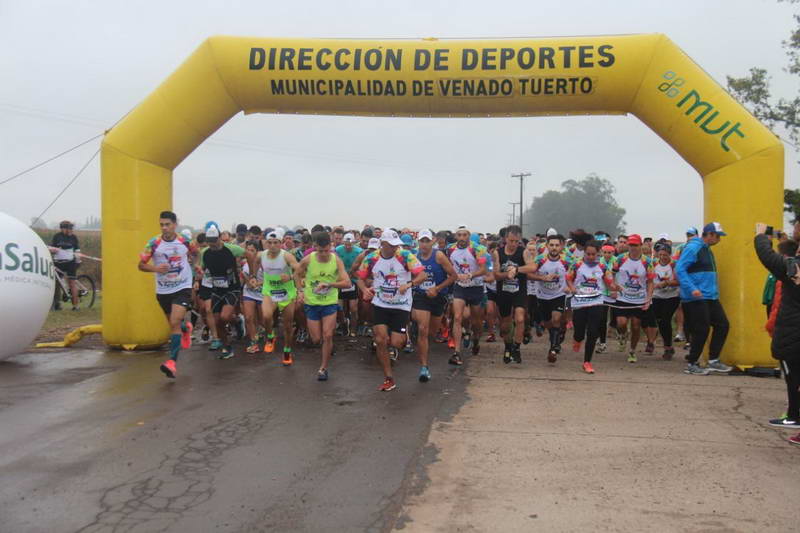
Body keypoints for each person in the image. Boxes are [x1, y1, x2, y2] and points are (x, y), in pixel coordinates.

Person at [357, 229, 427, 390]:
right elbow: (359, 278)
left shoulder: (405, 256)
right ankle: (389, 378)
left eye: (397, 245)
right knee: (381, 340)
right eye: (392, 245)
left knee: (396, 342)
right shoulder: (371, 258)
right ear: (383, 245)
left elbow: (423, 276)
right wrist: (365, 289)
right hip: (380, 303)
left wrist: (409, 284)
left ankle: (404, 336)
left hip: (401, 305)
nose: (396, 248)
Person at [754, 224, 800, 444]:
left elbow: (769, 258)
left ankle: (794, 415)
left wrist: (761, 235)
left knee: (795, 377)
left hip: (794, 334)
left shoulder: (794, 267)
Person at [137, 211, 197, 379]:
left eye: (167, 224)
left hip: (182, 286)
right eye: (161, 224)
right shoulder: (154, 243)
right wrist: (156, 269)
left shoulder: (185, 241)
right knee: (175, 325)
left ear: (174, 224)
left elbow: (195, 253)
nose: (164, 228)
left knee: (174, 321)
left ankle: (171, 363)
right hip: (163, 289)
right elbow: (140, 265)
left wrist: (194, 269)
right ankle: (186, 329)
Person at [675, 222, 733, 375]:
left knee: (723, 325)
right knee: (702, 329)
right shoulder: (694, 247)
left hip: (709, 296)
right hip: (696, 297)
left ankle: (713, 360)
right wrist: (692, 289)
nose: (719, 239)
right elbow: (680, 269)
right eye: (718, 236)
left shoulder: (707, 250)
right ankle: (692, 364)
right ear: (710, 234)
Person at [294, 231, 351, 382]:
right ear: (315, 247)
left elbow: (347, 282)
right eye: (321, 250)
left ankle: (323, 368)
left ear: (331, 247)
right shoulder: (308, 259)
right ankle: (328, 345)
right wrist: (300, 292)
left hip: (329, 303)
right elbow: (296, 274)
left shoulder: (336, 260)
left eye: (327, 250)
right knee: (316, 338)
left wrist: (330, 284)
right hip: (312, 303)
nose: (324, 254)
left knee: (327, 335)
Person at [198, 222, 249, 360]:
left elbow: (249, 255)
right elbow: (203, 269)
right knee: (216, 321)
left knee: (224, 317)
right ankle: (227, 346)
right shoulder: (205, 253)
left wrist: (252, 274)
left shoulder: (231, 249)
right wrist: (200, 276)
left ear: (219, 238)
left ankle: (235, 322)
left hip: (232, 288)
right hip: (216, 289)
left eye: (214, 241)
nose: (212, 244)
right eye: (209, 242)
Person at [411, 229, 457, 381]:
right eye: (421, 241)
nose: (424, 244)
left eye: (427, 241)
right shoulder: (413, 256)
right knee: (423, 329)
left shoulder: (438, 256)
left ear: (433, 241)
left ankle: (420, 336)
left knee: (430, 332)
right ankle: (424, 367)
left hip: (438, 297)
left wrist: (437, 289)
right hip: (420, 296)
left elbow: (453, 276)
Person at [251, 228, 301, 364]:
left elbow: (300, 269)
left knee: (287, 325)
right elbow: (255, 262)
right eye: (270, 243)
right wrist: (253, 276)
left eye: (276, 242)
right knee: (266, 316)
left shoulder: (287, 256)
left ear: (281, 243)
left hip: (287, 293)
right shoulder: (261, 255)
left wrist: (290, 276)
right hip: (270, 290)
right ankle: (270, 336)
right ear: (266, 243)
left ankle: (287, 351)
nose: (272, 246)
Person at [566, 240, 614, 373]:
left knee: (593, 332)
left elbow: (610, 282)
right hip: (580, 301)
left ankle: (587, 362)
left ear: (598, 253)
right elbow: (568, 278)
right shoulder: (576, 264)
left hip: (596, 301)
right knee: (579, 331)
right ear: (584, 253)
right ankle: (577, 339)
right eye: (588, 254)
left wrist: (615, 289)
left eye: (594, 254)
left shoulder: (603, 267)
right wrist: (572, 288)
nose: (591, 257)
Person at [446, 226, 490, 366]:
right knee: (458, 317)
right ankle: (457, 352)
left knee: (476, 321)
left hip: (476, 287)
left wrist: (470, 275)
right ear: (456, 236)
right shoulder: (450, 249)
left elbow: (483, 269)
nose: (462, 238)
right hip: (460, 287)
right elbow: (448, 266)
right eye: (459, 235)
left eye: (465, 235)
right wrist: (452, 275)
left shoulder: (478, 249)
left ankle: (476, 339)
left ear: (469, 236)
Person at [493, 225, 536, 364]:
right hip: (504, 292)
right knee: (505, 325)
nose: (513, 244)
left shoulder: (524, 252)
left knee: (520, 319)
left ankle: (516, 348)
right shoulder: (497, 253)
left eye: (516, 241)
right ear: (505, 239)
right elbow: (496, 275)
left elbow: (532, 267)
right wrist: (507, 274)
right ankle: (508, 346)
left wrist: (517, 270)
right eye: (511, 241)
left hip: (519, 291)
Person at [612, 234, 655, 363]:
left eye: (635, 245)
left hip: (639, 299)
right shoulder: (620, 259)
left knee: (636, 326)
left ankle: (632, 351)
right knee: (621, 323)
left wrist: (648, 298)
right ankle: (622, 335)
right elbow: (611, 274)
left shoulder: (647, 262)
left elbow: (651, 282)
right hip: (623, 297)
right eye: (630, 245)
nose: (632, 248)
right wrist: (613, 288)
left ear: (640, 245)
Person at [529, 233, 571, 363]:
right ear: (547, 246)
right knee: (548, 323)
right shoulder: (539, 260)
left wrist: (570, 286)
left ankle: (553, 349)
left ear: (562, 247)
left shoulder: (567, 261)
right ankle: (556, 336)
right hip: (542, 296)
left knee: (556, 318)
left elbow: (576, 273)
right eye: (551, 245)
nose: (554, 248)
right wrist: (542, 278)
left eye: (557, 245)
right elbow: (529, 275)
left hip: (559, 294)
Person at [651, 242, 681, 360]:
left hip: (672, 296)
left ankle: (667, 347)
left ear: (670, 254)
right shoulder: (653, 264)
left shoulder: (675, 265)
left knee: (665, 320)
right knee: (659, 321)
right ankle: (667, 344)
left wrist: (667, 283)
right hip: (657, 296)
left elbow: (679, 281)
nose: (663, 257)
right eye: (661, 254)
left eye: (665, 255)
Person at [50, 220, 82, 311]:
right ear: (63, 229)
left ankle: (75, 306)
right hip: (58, 263)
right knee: (56, 283)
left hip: (70, 263)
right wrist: (53, 250)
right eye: (68, 228)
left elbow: (77, 250)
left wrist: (78, 260)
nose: (70, 230)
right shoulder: (57, 236)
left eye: (71, 228)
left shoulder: (73, 238)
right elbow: (52, 247)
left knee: (72, 283)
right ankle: (57, 304)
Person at [335, 233, 363, 337]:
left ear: (354, 243)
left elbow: (361, 266)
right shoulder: (338, 250)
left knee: (353, 308)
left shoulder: (359, 251)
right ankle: (343, 326)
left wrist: (353, 275)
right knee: (340, 307)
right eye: (346, 244)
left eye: (350, 244)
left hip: (353, 280)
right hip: (341, 280)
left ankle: (353, 329)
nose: (348, 246)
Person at [241, 240, 265, 354]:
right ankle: (253, 342)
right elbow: (244, 277)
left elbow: (270, 279)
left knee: (263, 320)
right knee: (249, 318)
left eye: (252, 250)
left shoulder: (264, 263)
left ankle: (267, 334)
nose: (250, 253)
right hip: (248, 293)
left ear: (257, 251)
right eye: (248, 250)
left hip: (262, 293)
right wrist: (248, 281)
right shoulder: (244, 264)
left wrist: (258, 284)